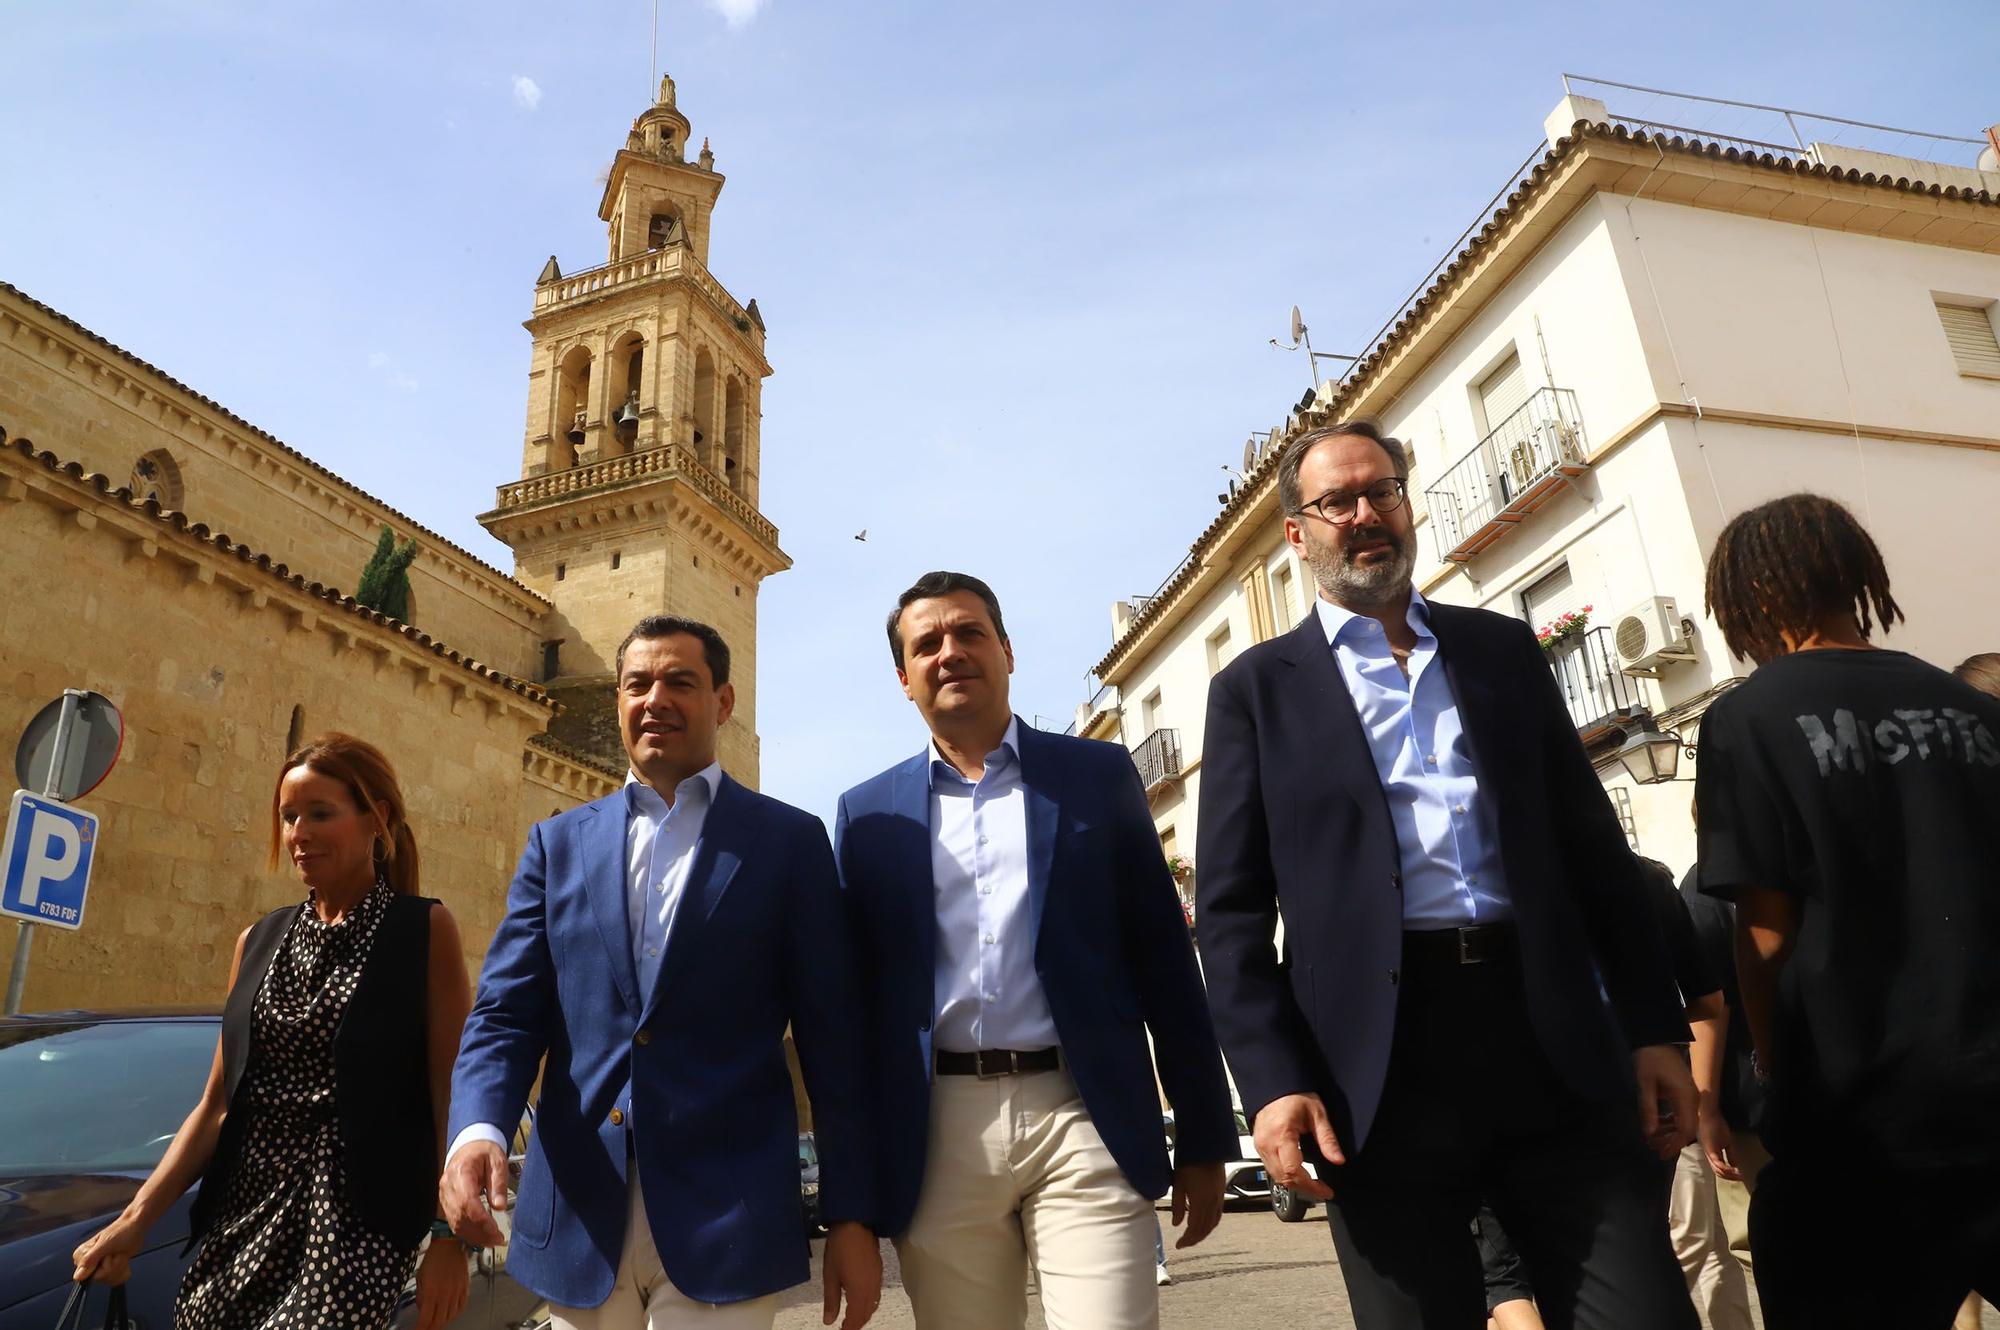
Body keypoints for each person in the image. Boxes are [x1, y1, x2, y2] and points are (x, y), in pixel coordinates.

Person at [1196, 420, 1698, 1329]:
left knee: (1645, 1312)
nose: (1363, 515)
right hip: (1375, 1072)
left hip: (1547, 1035)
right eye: (1336, 501)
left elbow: (1595, 857)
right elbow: (1229, 915)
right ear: (1297, 533)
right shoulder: (1255, 692)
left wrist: (1654, 1027)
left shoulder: (1500, 652)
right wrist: (1272, 1082)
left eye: (1380, 490)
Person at [440, 616, 880, 1330]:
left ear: (724, 702)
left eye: (681, 681)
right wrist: (475, 1131)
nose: (656, 699)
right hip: (579, 1215)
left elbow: (833, 1043)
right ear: (617, 701)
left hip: (726, 1218)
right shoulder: (555, 845)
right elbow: (505, 1013)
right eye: (637, 684)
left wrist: (852, 1216)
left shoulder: (789, 844)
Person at [834, 571, 1236, 1329]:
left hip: (1081, 1112)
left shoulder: (1096, 776)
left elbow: (1162, 958)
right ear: (904, 678)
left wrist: (1206, 1134)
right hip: (936, 1131)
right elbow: (850, 1016)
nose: (950, 652)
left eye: (969, 633)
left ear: (1008, 652)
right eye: (927, 644)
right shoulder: (865, 815)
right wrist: (852, 1197)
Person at [1696, 493, 2000, 1328]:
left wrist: (1769, 1057)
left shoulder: (1744, 721)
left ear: (1751, 596)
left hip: (1857, 1117)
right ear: (1854, 577)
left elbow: (1765, 931)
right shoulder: (1976, 711)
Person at [71, 734, 473, 1330]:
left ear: (376, 819)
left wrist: (448, 1239)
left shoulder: (422, 931)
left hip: (357, 1226)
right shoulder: (258, 941)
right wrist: (135, 1221)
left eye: (320, 813)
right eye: (288, 817)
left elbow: (449, 1094)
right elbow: (216, 1107)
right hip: (243, 1210)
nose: (299, 834)